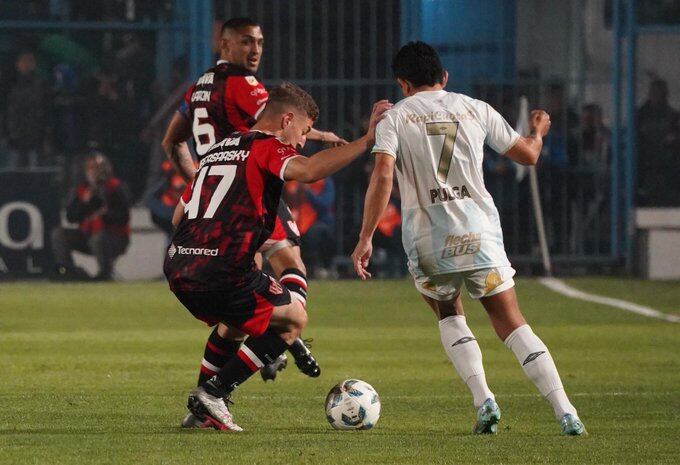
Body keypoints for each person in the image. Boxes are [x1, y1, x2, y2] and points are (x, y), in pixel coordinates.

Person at [351, 42, 586, 436]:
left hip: (428, 240)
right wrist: (538, 130)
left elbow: (383, 176)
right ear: (444, 77)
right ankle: (566, 411)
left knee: (449, 314)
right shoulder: (475, 107)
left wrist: (366, 237)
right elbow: (528, 155)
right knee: (511, 323)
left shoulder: (396, 117)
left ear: (402, 83)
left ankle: (484, 401)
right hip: (480, 234)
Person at [164, 82, 390, 431]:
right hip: (222, 269)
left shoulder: (218, 149)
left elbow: (179, 218)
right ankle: (215, 392)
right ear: (286, 120)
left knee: (237, 323)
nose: (301, 142)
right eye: (301, 132)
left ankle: (200, 410)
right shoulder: (268, 147)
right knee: (294, 319)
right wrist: (367, 141)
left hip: (179, 266)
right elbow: (310, 171)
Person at [161, 18, 347, 392]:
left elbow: (172, 143)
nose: (255, 50)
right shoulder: (245, 86)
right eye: (246, 42)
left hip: (214, 198)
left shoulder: (197, 89)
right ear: (224, 45)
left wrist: (201, 186)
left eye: (260, 42)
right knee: (289, 265)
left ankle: (256, 355)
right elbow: (277, 120)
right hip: (250, 184)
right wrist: (321, 136)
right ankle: (282, 340)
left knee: (241, 302)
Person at [51, 153, 130, 281]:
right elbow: (71, 217)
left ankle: (105, 272)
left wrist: (104, 215)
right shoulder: (83, 190)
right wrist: (84, 203)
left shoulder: (115, 187)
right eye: (90, 168)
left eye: (97, 168)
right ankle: (67, 269)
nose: (93, 172)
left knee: (98, 239)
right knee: (59, 234)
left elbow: (123, 217)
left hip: (113, 237)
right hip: (87, 235)